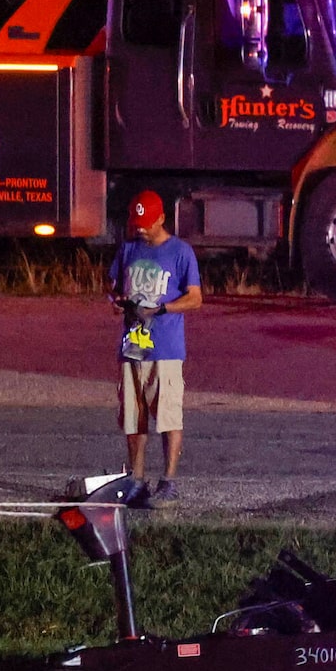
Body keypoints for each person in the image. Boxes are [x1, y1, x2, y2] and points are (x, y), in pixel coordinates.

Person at [107, 190, 203, 505]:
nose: (141, 229)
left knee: (168, 416)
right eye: (137, 224)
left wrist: (162, 310)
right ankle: (136, 481)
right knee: (134, 418)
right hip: (133, 347)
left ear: (162, 218)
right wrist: (119, 302)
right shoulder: (128, 249)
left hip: (166, 348)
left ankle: (168, 481)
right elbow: (113, 290)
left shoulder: (180, 252)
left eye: (147, 223)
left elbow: (195, 298)